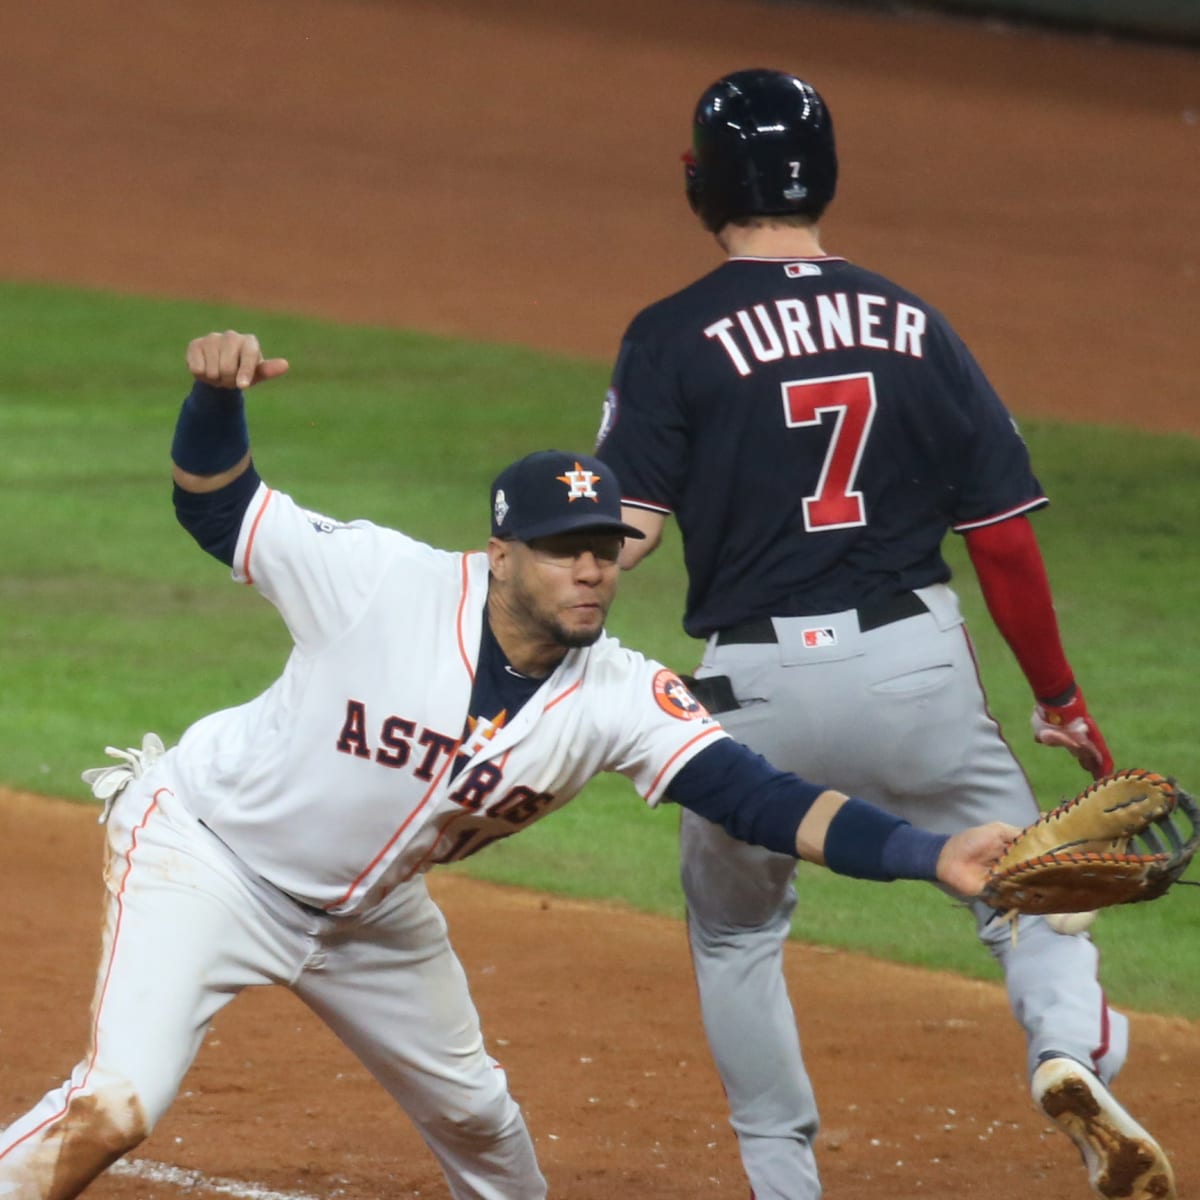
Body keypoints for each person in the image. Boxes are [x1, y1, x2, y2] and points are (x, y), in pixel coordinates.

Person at [0, 330, 1017, 1200]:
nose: (591, 569)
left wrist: (934, 856)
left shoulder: (622, 693)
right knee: (119, 1101)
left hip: (370, 916)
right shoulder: (381, 583)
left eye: (605, 548)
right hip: (210, 858)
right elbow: (219, 509)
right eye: (563, 547)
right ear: (501, 553)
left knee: (484, 1123)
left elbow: (755, 796)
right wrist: (214, 398)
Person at [594, 68, 1175, 1200]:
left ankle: (784, 1179)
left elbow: (623, 534)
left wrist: (527, 589)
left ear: (697, 180)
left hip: (750, 692)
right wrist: (1059, 698)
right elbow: (1003, 539)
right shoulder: (913, 321)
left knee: (736, 938)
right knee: (1032, 882)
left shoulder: (669, 334)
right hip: (915, 670)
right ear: (828, 177)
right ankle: (1065, 1048)